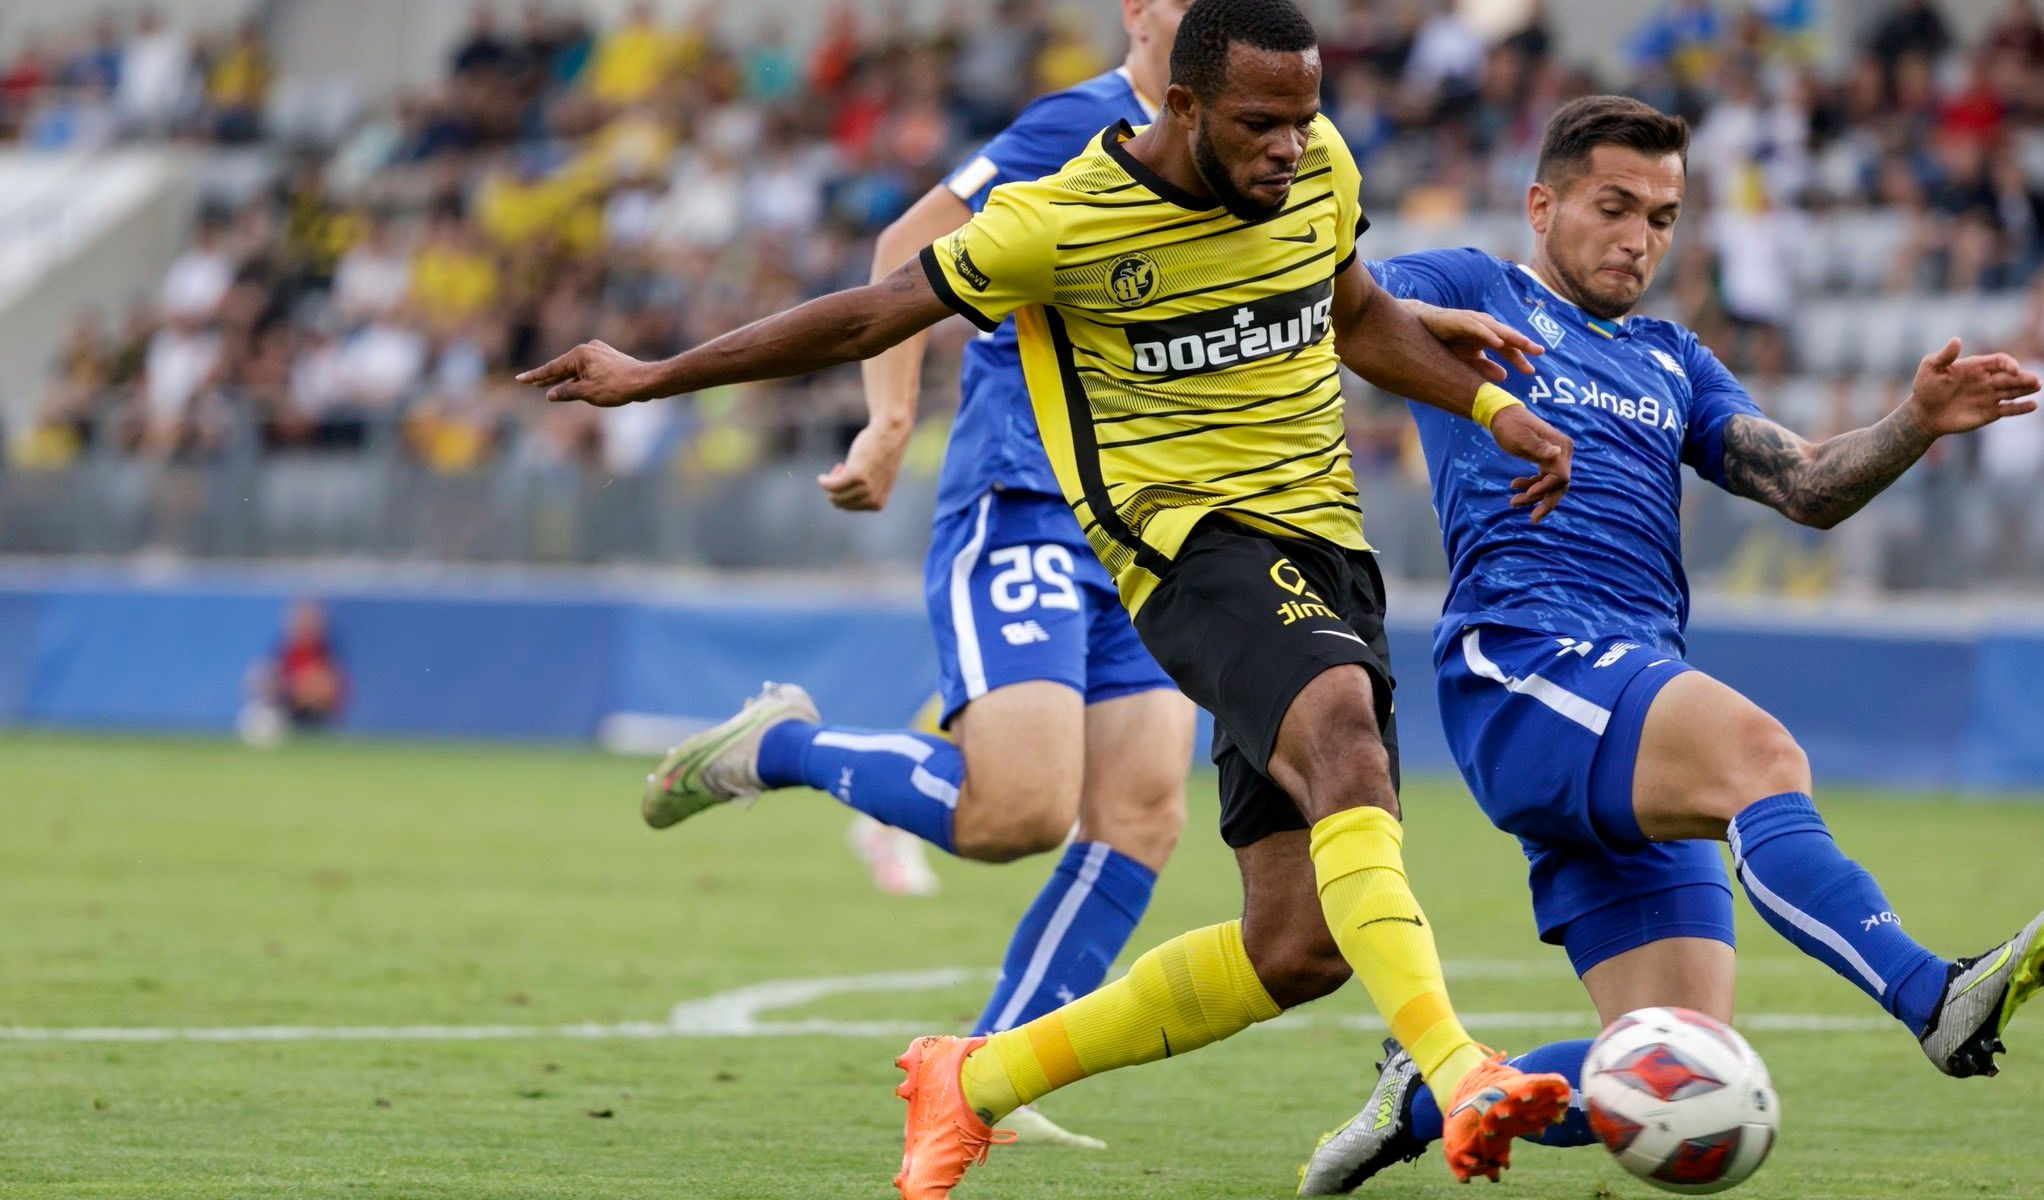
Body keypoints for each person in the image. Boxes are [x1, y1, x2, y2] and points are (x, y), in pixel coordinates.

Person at [520, 2, 1585, 1194]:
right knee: (1326, 747)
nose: (1289, 146)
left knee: (1297, 946)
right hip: (1177, 545)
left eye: (1304, 118)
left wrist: (1488, 407)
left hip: (1323, 546)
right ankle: (1454, 1069)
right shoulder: (1060, 211)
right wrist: (656, 377)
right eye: (1260, 124)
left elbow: (1351, 313)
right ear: (1179, 102)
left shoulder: (1318, 164)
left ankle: (975, 1079)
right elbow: (873, 308)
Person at [1297, 94, 2044, 1194]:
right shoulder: (1475, 285)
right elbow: (1328, 303)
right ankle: (1932, 995)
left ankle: (1426, 1092)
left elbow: (1805, 487)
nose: (1638, 239)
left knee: (1680, 1073)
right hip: (1526, 664)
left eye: (1661, 217)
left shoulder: (1673, 359)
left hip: (1633, 698)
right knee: (1762, 757)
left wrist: (1914, 422)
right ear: (1541, 206)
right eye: (1613, 208)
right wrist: (1414, 318)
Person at [636, 0, 1197, 1151]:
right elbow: (905, 247)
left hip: (1153, 527)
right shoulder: (1079, 125)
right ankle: (781, 746)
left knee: (1143, 811)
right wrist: (889, 421)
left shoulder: (1261, 152)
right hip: (1027, 498)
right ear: (1137, 12)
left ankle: (985, 1075)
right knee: (1017, 815)